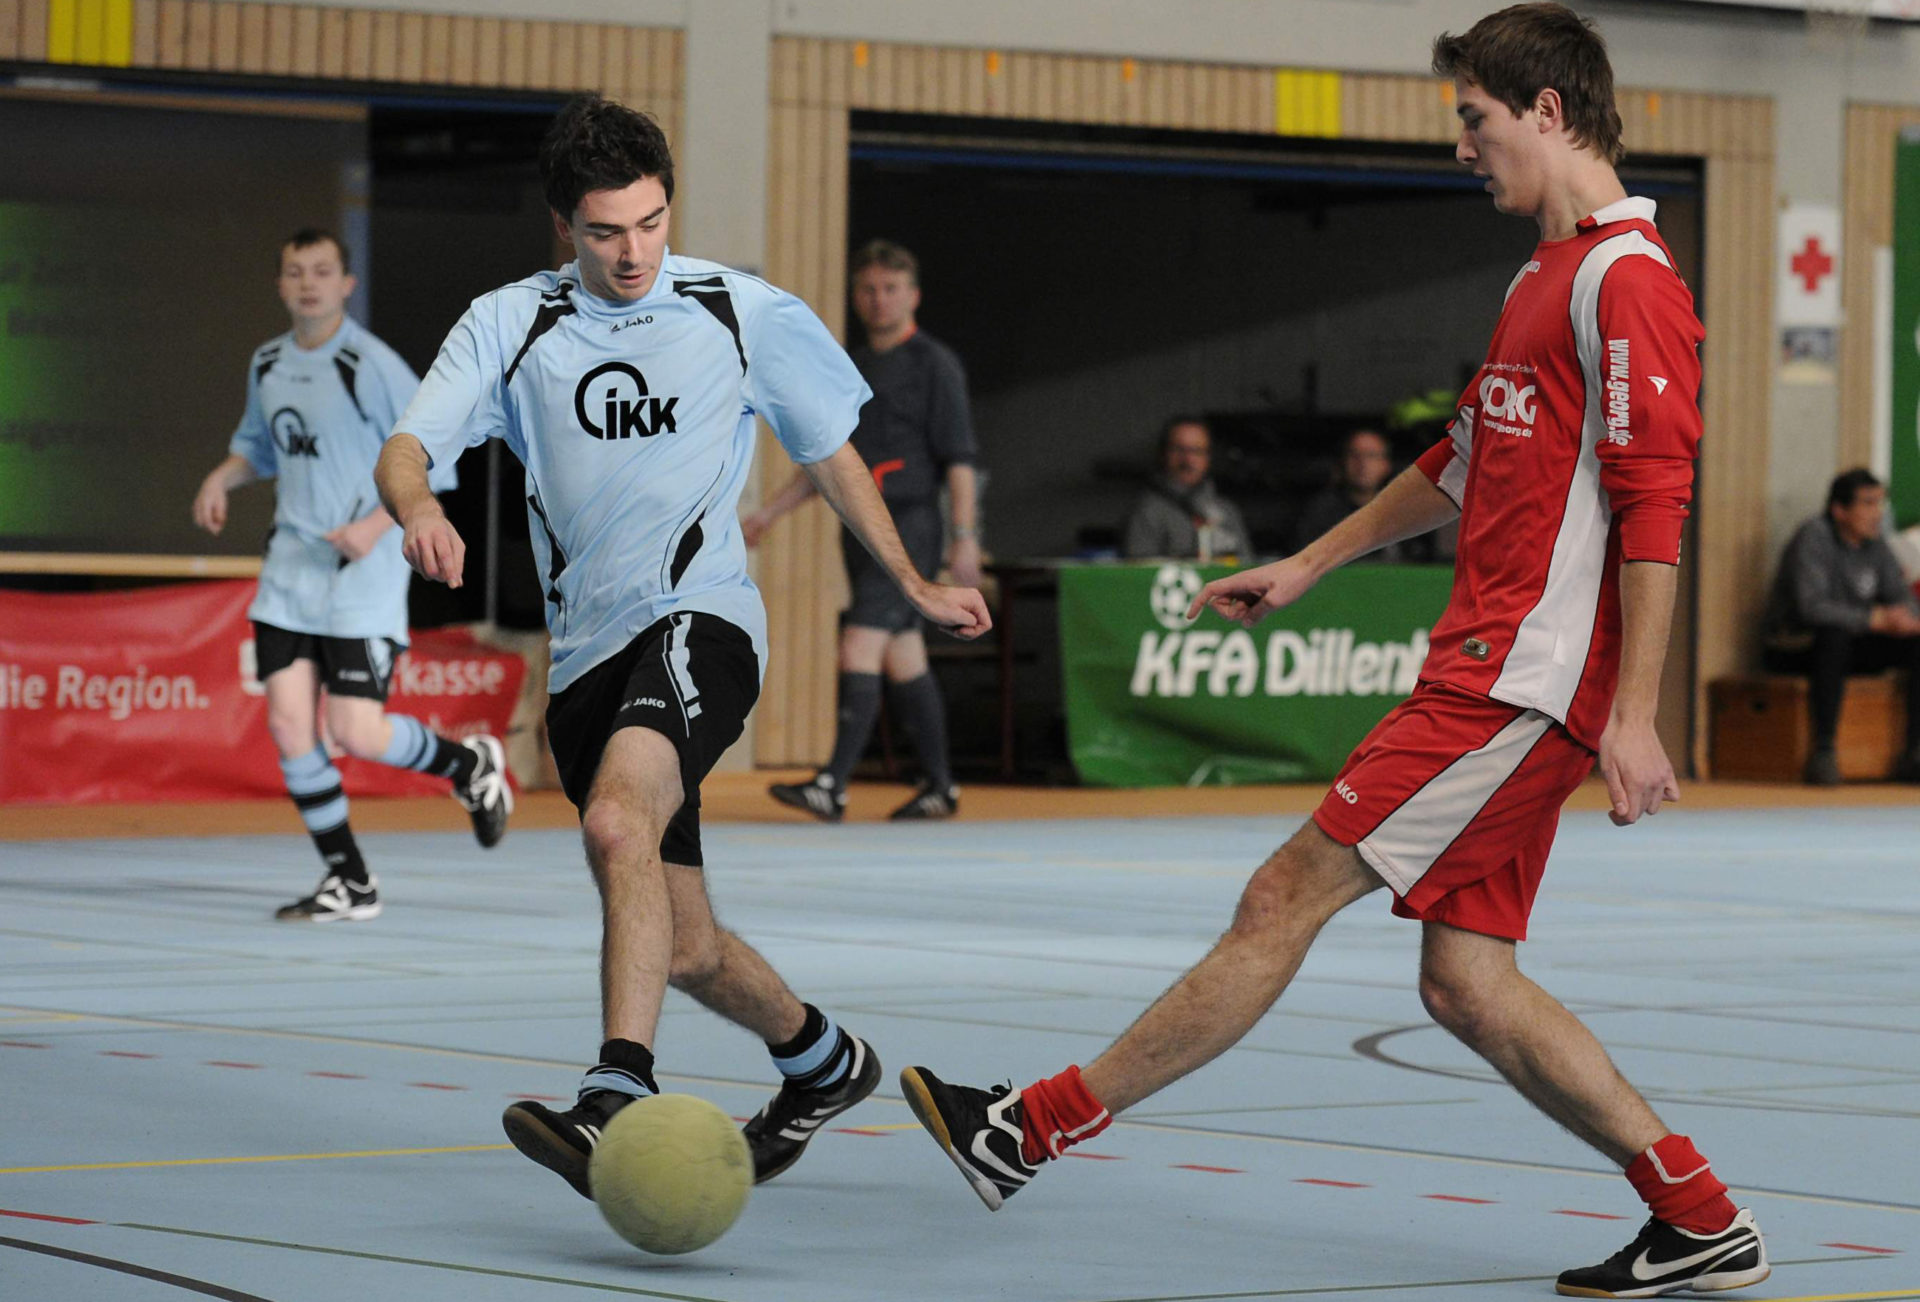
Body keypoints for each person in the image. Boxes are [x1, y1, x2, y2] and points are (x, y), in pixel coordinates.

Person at [900, 7, 1771, 1298]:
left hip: (1519, 684)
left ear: (1544, 111)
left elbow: (1657, 506)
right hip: (1490, 668)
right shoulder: (1543, 274)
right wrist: (1311, 561)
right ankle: (1700, 1215)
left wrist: (1634, 712)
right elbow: (1463, 460)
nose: (1463, 148)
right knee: (1468, 984)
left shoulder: (1624, 282)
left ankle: (1027, 1128)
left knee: (1282, 891)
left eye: (1474, 121)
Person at [374, 96, 990, 1199]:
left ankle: (615, 1091)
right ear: (566, 225)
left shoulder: (738, 308)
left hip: (703, 622)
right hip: (587, 660)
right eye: (607, 231)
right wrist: (420, 507)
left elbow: (834, 451)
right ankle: (821, 1062)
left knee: (619, 820)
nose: (633, 253)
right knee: (687, 943)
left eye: (651, 224)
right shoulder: (511, 322)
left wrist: (912, 579)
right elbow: (409, 447)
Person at [192, 228, 512, 924]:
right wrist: (223, 477)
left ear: (346, 284)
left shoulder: (369, 364)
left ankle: (468, 767)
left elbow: (437, 460)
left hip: (361, 580)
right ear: (281, 285)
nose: (309, 283)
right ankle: (351, 880)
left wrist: (373, 526)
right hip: (291, 572)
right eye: (295, 272)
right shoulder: (269, 361)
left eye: (323, 271)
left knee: (357, 732)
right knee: (287, 725)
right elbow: (259, 447)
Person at [746, 239, 981, 823]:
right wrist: (770, 513)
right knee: (904, 657)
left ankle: (833, 783)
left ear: (913, 295)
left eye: (891, 289)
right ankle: (940, 786)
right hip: (859, 526)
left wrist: (965, 535)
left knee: (860, 641)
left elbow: (960, 459)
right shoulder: (849, 365)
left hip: (911, 524)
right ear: (856, 297)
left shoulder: (935, 365)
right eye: (869, 290)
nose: (879, 301)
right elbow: (828, 459)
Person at [1762, 468, 1920, 785]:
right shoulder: (1813, 537)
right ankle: (1823, 751)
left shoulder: (1876, 546)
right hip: (1796, 644)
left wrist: (1906, 620)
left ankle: (1914, 753)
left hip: (1852, 642)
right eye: (1868, 503)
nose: (1878, 513)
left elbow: (1902, 599)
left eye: (1880, 503)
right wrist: (1870, 619)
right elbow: (1811, 609)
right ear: (1839, 510)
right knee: (1833, 638)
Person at [1122, 416, 1252, 560]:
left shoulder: (1227, 511)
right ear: (1164, 454)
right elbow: (1138, 573)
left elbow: (1246, 565)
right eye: (1179, 449)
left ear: (1209, 457)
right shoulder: (1146, 511)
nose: (1188, 460)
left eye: (1197, 451)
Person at [1293, 428, 1420, 561]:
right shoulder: (1320, 511)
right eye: (1355, 455)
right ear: (1342, 462)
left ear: (1386, 465)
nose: (1363, 464)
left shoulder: (1403, 509)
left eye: (1371, 456)